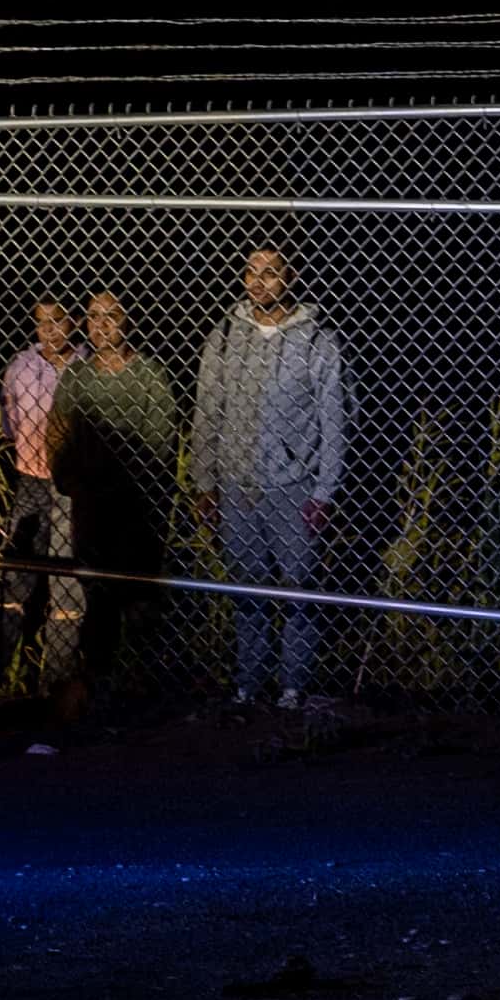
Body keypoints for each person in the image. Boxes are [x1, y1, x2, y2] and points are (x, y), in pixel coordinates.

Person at [189, 243, 351, 707]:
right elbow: (207, 414)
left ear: (290, 277)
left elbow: (333, 420)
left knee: (298, 590)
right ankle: (247, 684)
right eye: (251, 271)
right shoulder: (224, 336)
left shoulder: (318, 341)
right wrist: (204, 483)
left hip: (292, 486)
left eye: (271, 273)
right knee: (247, 589)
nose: (259, 281)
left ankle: (293, 686)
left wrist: (324, 491)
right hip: (237, 484)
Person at [43, 288, 184, 712]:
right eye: (92, 316)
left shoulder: (148, 376)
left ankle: (145, 684)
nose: (101, 325)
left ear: (128, 321)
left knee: (138, 597)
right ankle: (97, 680)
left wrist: (131, 484)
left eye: (111, 316)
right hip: (91, 502)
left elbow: (161, 442)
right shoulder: (79, 376)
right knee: (96, 595)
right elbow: (58, 431)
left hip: (134, 506)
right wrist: (68, 477)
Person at [0, 295, 86, 684]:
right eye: (41, 322)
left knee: (67, 580)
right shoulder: (20, 366)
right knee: (17, 573)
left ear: (75, 322)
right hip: (31, 478)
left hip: (73, 486)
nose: (48, 331)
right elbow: (8, 423)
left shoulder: (87, 367)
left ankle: (58, 676)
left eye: (58, 321)